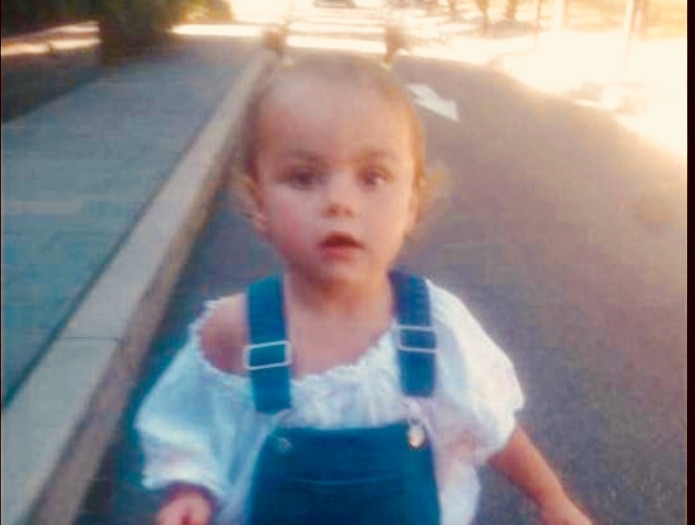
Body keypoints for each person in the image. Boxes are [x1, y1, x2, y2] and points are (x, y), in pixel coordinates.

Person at [135, 52, 594, 525]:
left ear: (411, 204)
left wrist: (550, 497)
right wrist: (190, 491)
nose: (340, 202)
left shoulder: (433, 328)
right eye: (303, 178)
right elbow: (192, 428)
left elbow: (491, 426)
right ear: (259, 203)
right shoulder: (235, 329)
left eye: (372, 178)